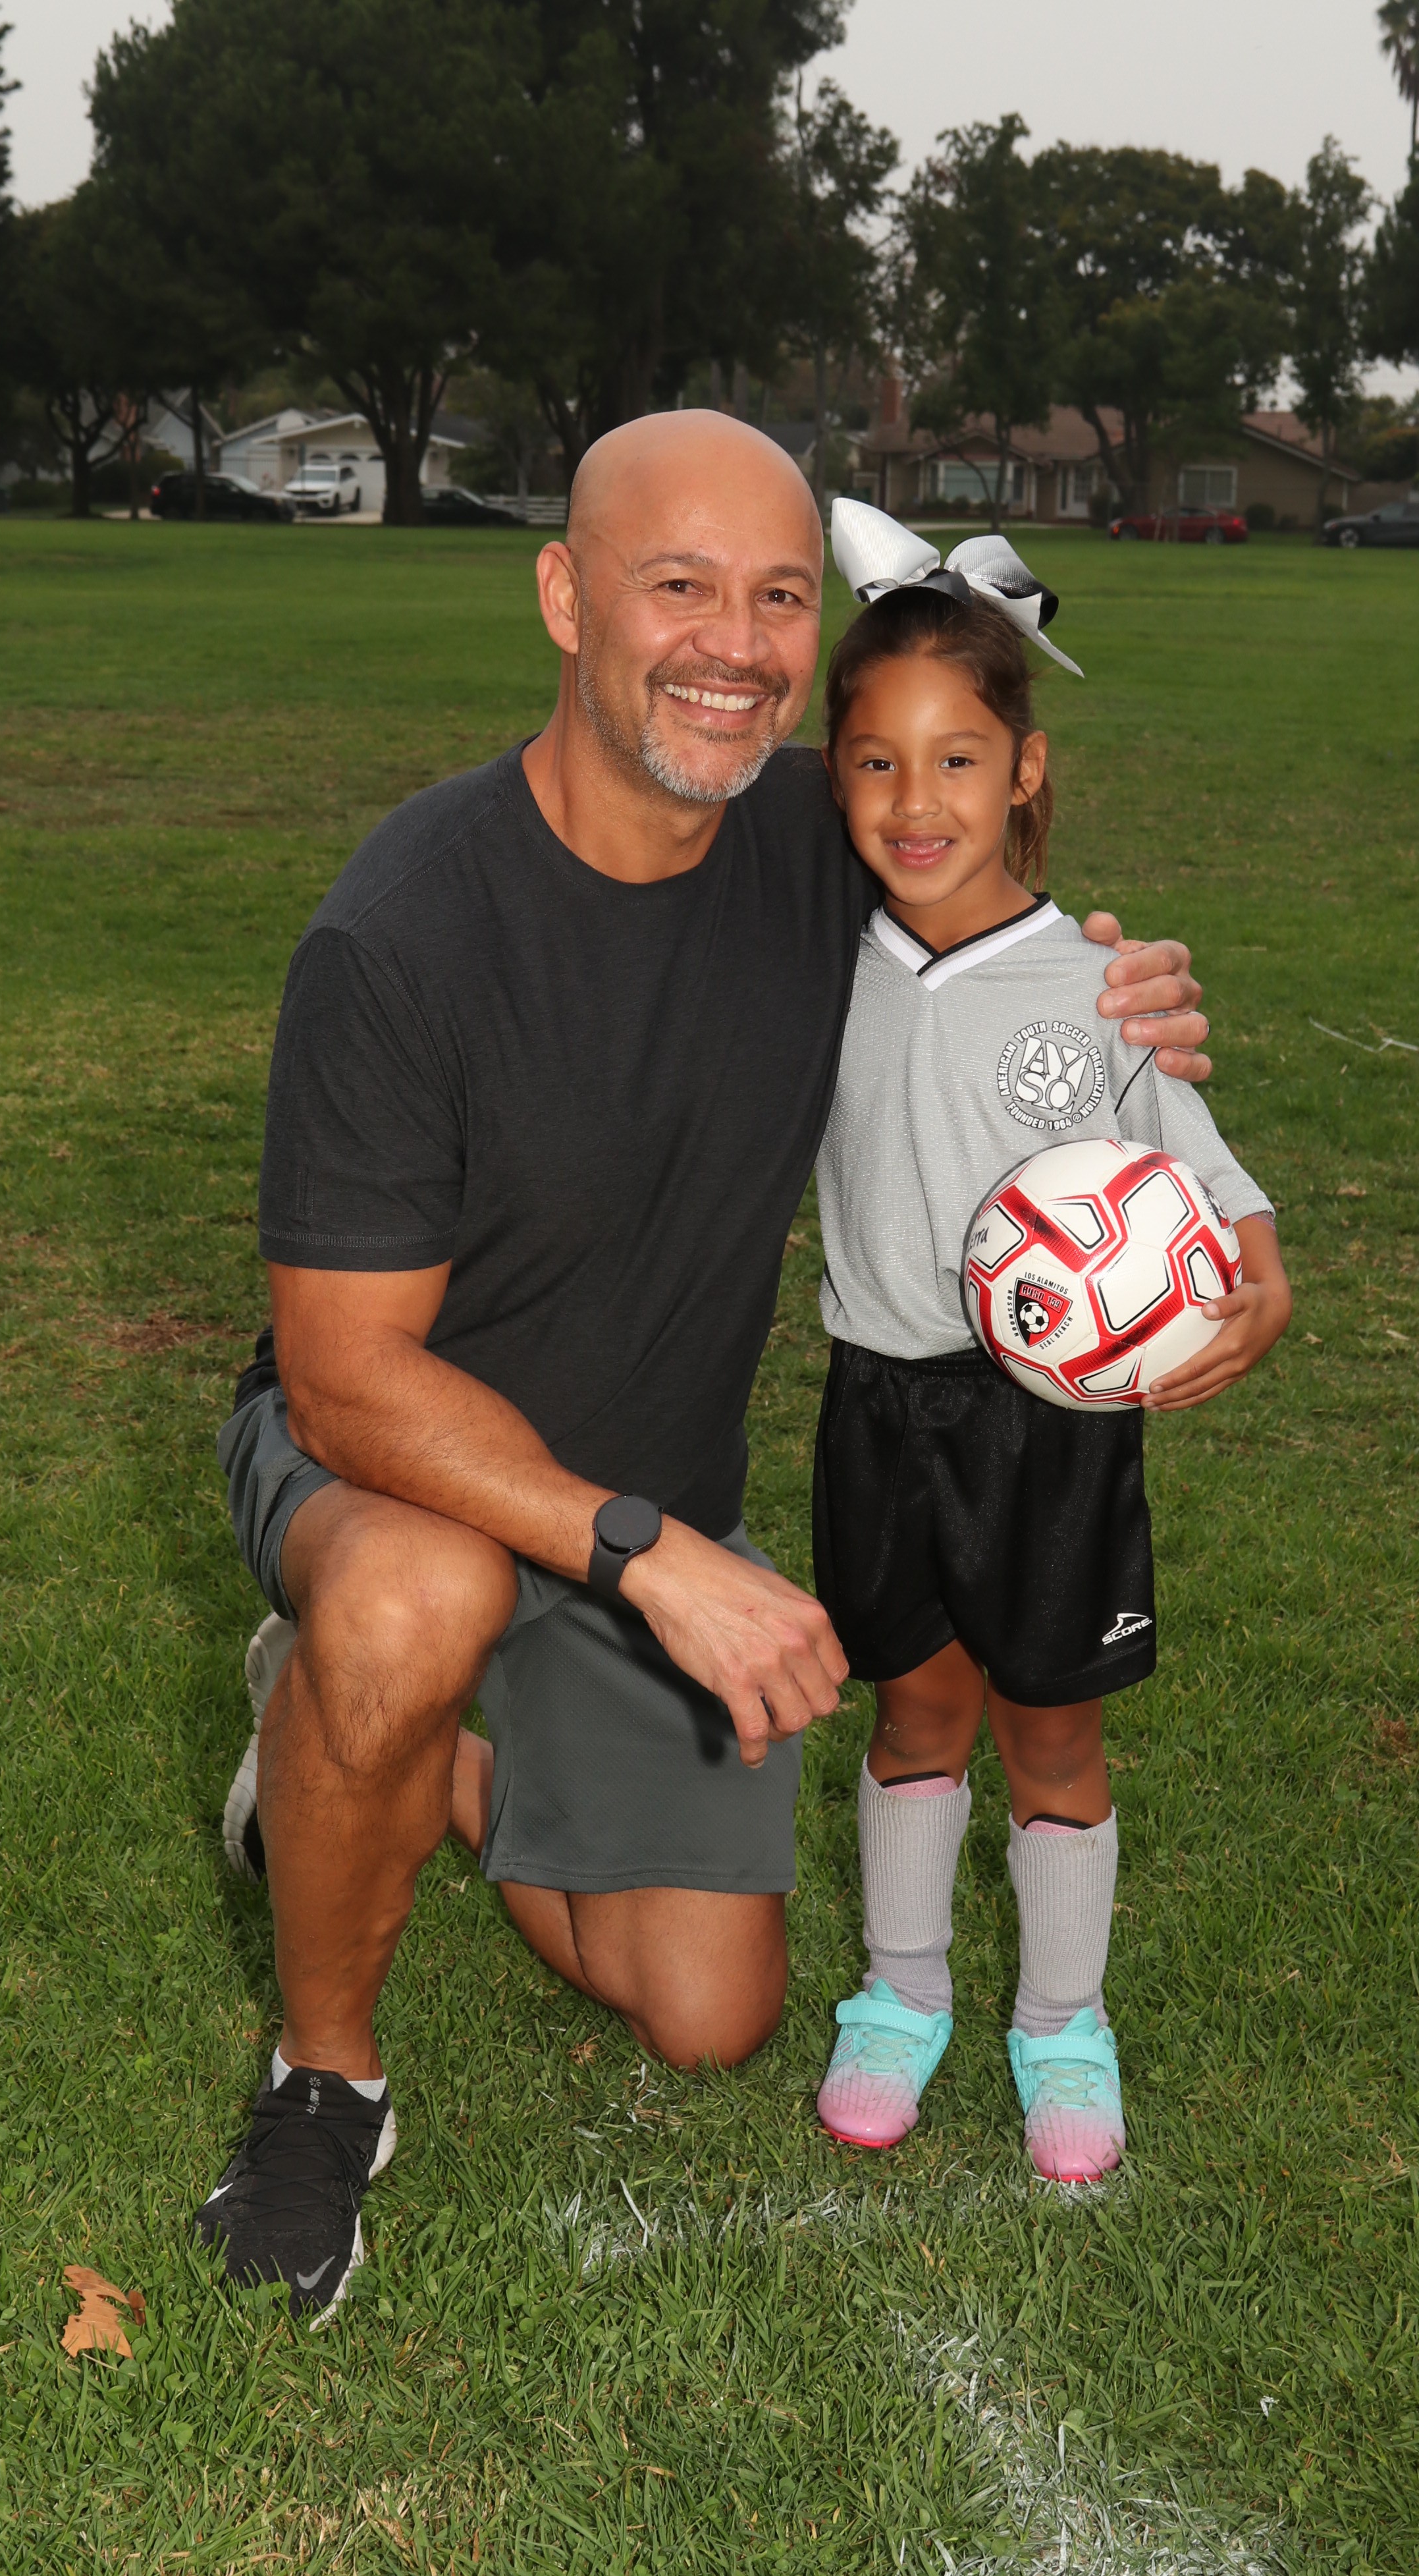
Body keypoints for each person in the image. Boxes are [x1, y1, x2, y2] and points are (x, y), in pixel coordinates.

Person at [195, 414, 1212, 2319]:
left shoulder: (820, 842)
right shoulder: (407, 931)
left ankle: (357, 1741)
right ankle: (325, 2083)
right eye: (679, 588)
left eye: (776, 598)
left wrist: (1119, 991)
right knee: (418, 1597)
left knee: (708, 2013)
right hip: (397, 1475)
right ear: (565, 597)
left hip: (644, 1511)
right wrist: (654, 1555)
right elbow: (341, 1379)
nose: (735, 649)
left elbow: (984, 887)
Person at [807, 508, 1291, 2182]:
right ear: (831, 776)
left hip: (1053, 1425)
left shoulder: (1094, 987)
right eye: (873, 761)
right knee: (911, 1714)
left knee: (1052, 1732)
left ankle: (1061, 2023)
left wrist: (1260, 1279)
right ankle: (901, 1992)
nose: (913, 802)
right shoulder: (817, 962)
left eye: (956, 759)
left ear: (1024, 769)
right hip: (877, 1401)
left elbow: (1206, 1182)